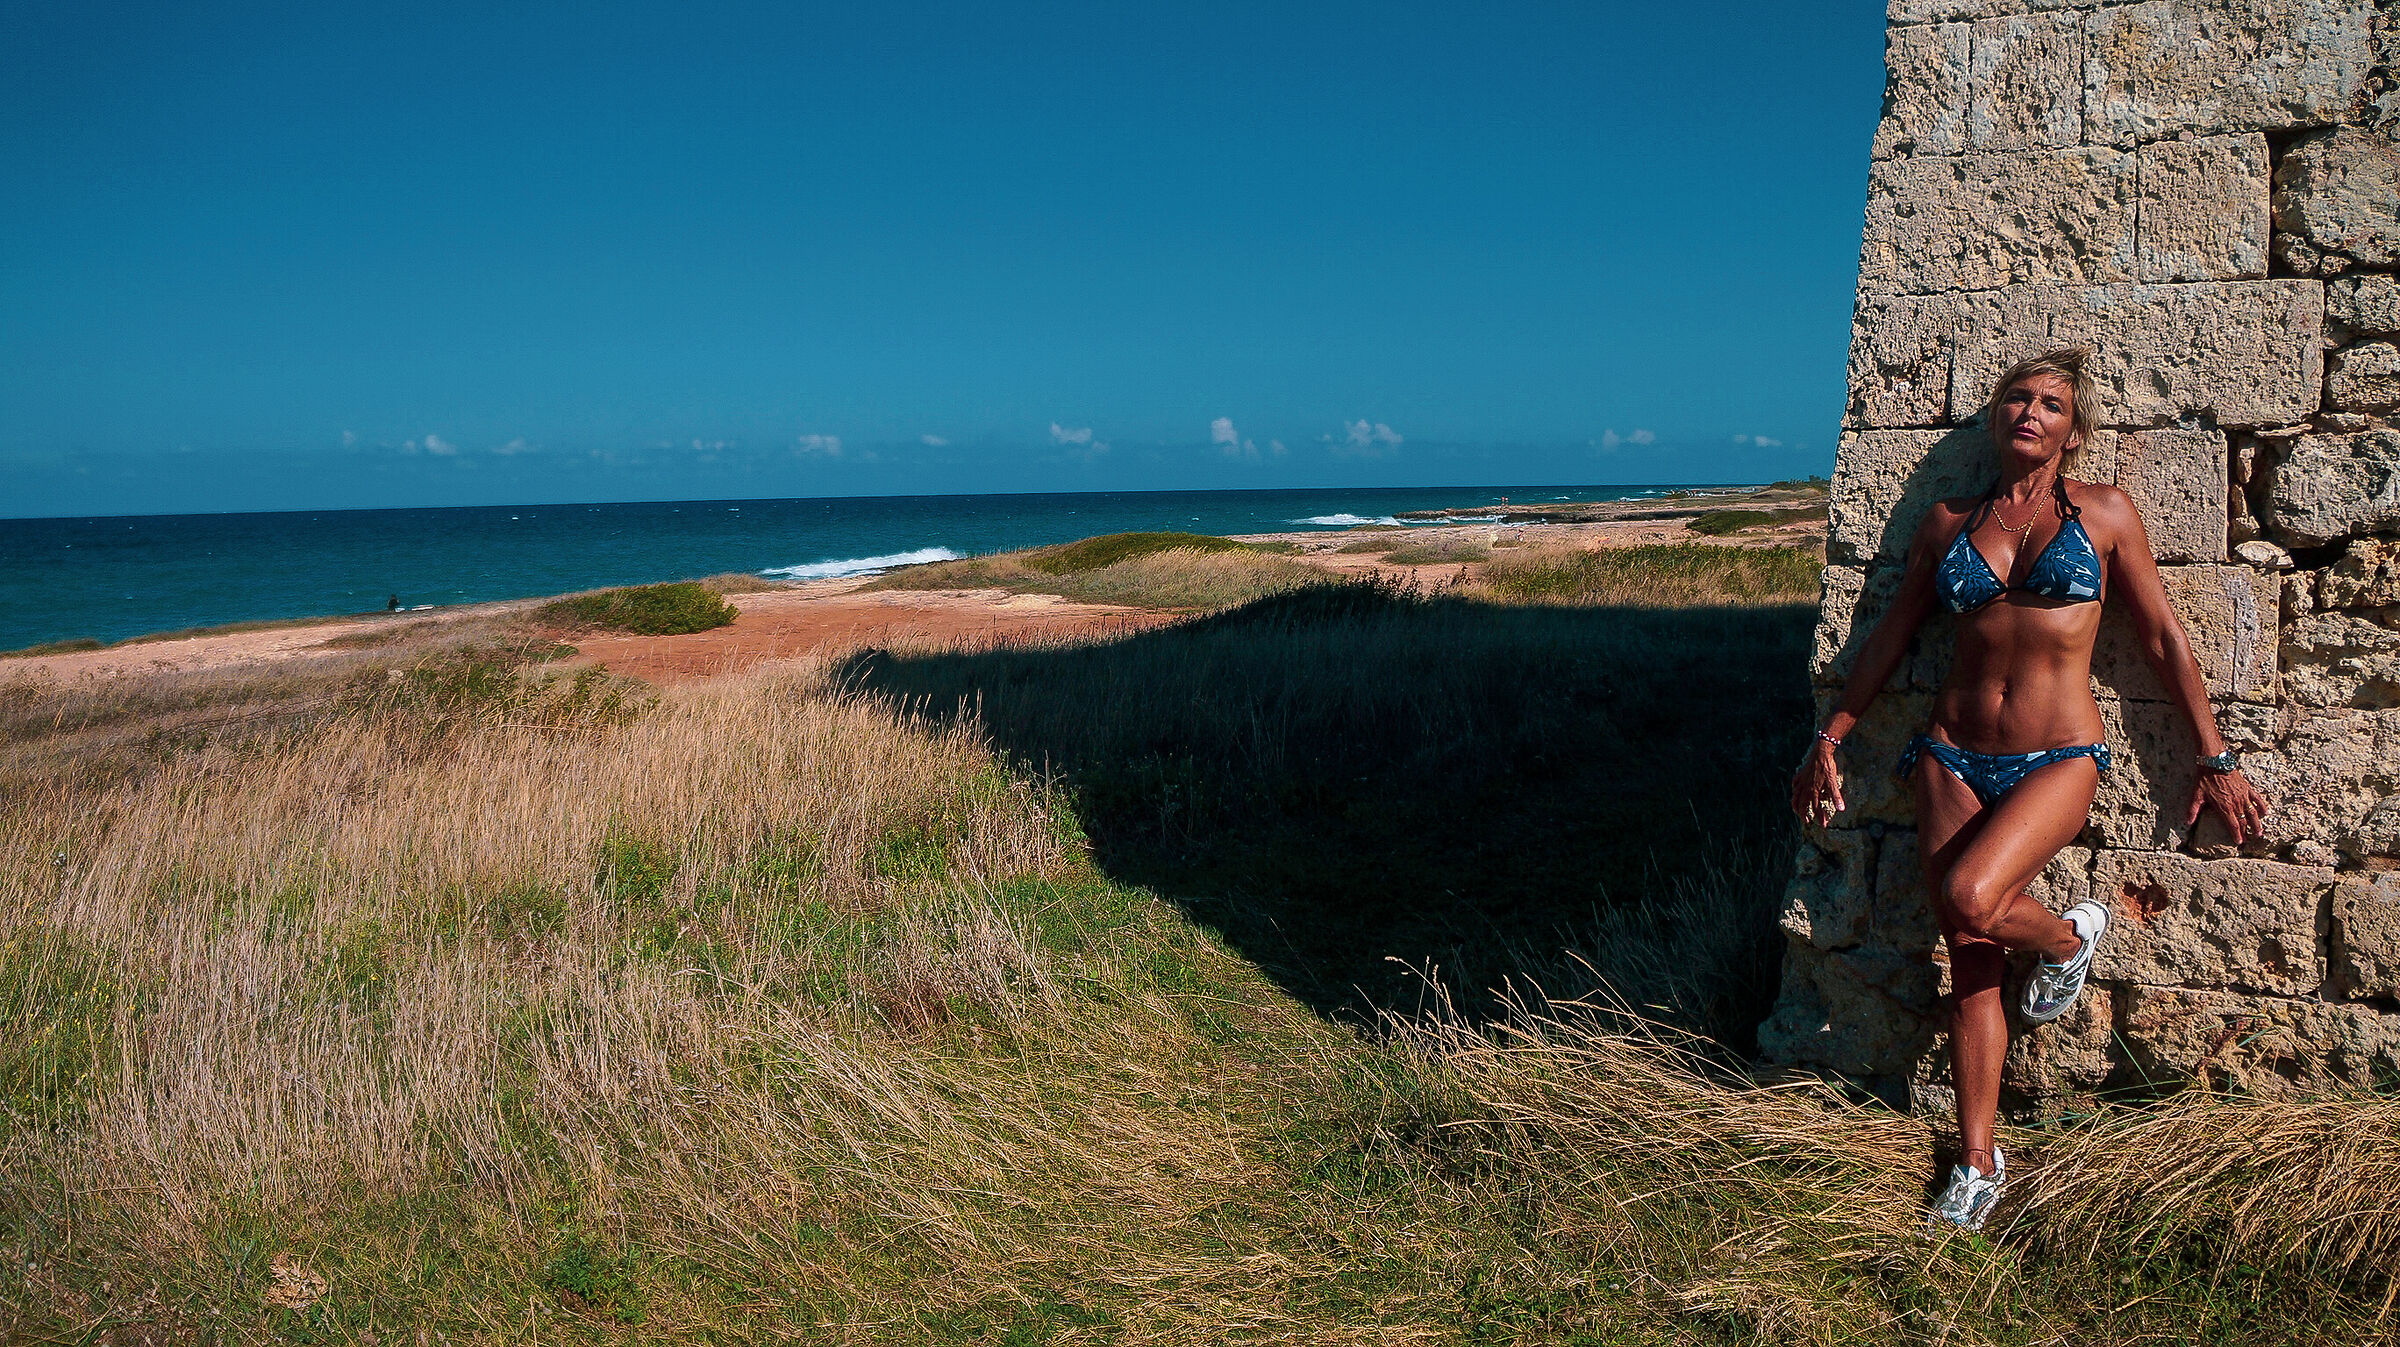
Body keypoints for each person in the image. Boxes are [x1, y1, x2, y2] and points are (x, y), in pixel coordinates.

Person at [1790, 347, 2270, 1232]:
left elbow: (2162, 638)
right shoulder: (1948, 523)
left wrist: (2216, 756)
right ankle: (1978, 1160)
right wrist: (1831, 738)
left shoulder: (2107, 515)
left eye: (2051, 403)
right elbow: (1890, 638)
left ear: (2071, 430)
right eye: (2018, 397)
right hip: (1949, 755)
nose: (2032, 412)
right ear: (1995, 415)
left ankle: (2065, 937)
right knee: (1967, 951)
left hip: (2057, 756)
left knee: (1974, 896)